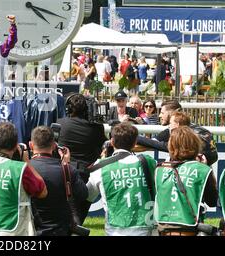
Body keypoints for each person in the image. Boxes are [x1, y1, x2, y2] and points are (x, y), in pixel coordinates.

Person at [87, 122, 157, 236]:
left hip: (115, 231)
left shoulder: (100, 166)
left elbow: (89, 195)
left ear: (112, 142)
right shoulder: (149, 161)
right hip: (145, 229)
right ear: (135, 143)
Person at [154, 126, 218, 236]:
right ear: (195, 144)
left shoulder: (159, 169)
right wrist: (207, 167)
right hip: (189, 229)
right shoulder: (202, 169)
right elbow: (212, 201)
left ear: (171, 146)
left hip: (163, 229)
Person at [57, 93, 107, 224]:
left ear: (68, 108)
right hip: (86, 174)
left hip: (64, 173)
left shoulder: (60, 123)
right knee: (79, 216)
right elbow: (102, 147)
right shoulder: (97, 127)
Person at [29, 126, 88, 236]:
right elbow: (83, 194)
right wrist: (67, 164)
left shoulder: (24, 170)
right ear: (54, 146)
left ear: (31, 145)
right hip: (61, 230)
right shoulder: (67, 169)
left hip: (32, 230)